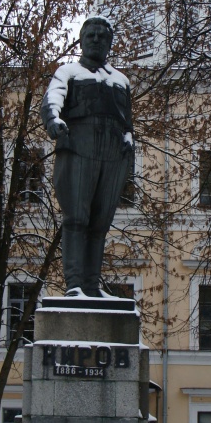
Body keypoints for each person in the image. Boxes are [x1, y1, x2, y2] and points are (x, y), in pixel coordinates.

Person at [41, 16, 133, 297]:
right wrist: (53, 119)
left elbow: (126, 120)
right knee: (77, 218)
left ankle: (92, 286)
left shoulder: (120, 80)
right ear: (81, 40)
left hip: (113, 155)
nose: (95, 40)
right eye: (90, 35)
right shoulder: (68, 72)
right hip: (78, 147)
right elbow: (53, 98)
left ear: (109, 43)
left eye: (101, 36)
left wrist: (129, 138)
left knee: (100, 222)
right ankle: (75, 285)